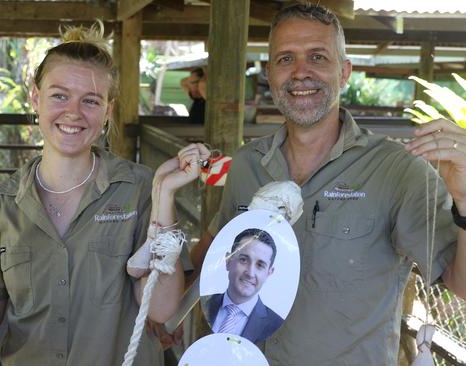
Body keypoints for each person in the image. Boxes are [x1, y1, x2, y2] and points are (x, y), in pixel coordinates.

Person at [189, 4, 466, 365]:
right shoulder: (246, 164)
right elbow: (209, 261)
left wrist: (464, 199)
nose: (301, 72)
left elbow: (459, 285)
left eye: (318, 57)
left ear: (344, 71)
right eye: (286, 58)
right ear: (270, 73)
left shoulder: (396, 169)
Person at [0, 22, 208, 366]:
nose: (73, 113)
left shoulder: (141, 189)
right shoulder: (0, 204)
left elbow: (159, 309)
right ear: (35, 98)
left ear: (107, 111)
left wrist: (164, 195)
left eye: (90, 101)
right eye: (59, 95)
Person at [203, 228, 283, 343]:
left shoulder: (276, 325)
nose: (250, 273)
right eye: (244, 260)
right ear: (228, 261)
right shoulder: (203, 304)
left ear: (269, 273)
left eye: (260, 265)